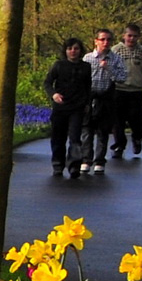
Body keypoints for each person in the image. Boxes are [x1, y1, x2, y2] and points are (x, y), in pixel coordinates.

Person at [47, 36, 94, 178]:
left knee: (75, 137)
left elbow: (88, 87)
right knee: (58, 137)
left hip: (77, 107)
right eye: (70, 49)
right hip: (60, 107)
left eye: (76, 49)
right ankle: (58, 165)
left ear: (80, 51)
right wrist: (54, 95)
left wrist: (87, 104)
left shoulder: (86, 67)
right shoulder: (58, 65)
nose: (73, 51)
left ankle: (74, 166)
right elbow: (48, 83)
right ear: (65, 51)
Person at [86, 27, 129, 161]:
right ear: (96, 41)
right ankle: (86, 159)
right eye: (102, 39)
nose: (106, 42)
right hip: (90, 98)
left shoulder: (116, 59)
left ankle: (99, 160)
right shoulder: (88, 58)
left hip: (106, 98)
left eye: (109, 40)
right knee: (87, 131)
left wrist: (109, 69)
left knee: (103, 131)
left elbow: (122, 77)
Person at [119, 24, 142, 154]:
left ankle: (137, 138)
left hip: (135, 90)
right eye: (129, 36)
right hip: (119, 89)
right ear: (123, 36)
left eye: (135, 36)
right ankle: (119, 145)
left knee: (136, 120)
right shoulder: (115, 50)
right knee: (118, 121)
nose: (132, 39)